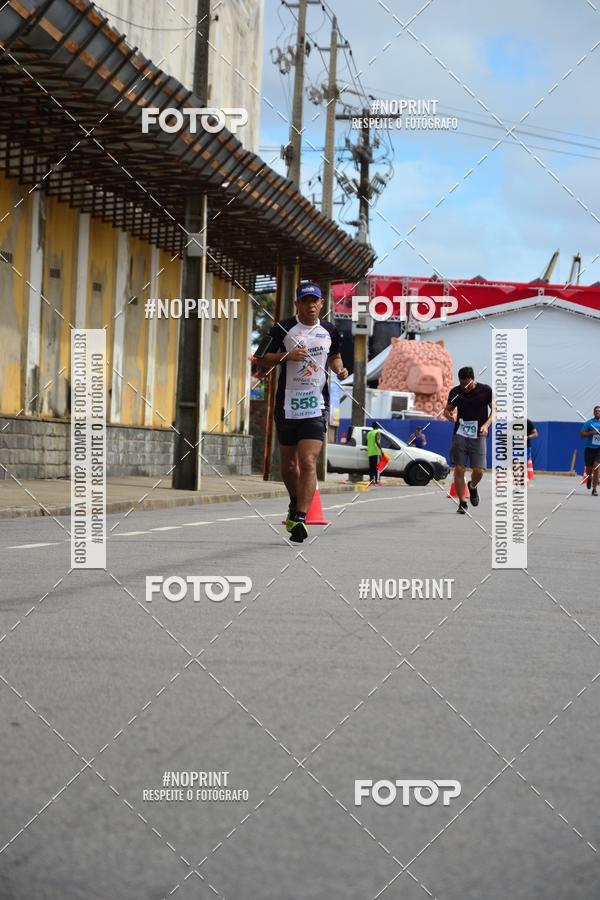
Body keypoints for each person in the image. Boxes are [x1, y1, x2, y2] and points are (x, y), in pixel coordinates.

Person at [254, 282, 348, 541]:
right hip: (287, 405)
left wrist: (339, 368)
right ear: (297, 304)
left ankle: (300, 518)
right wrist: (286, 356)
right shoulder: (283, 328)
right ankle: (295, 501)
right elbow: (258, 358)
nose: (311, 306)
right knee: (289, 464)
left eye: (315, 301)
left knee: (308, 462)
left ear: (322, 304)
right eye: (305, 301)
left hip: (316, 405)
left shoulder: (329, 330)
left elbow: (335, 355)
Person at [443, 366, 494, 515]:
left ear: (473, 379)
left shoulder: (485, 390)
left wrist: (486, 425)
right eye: (462, 384)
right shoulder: (456, 392)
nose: (464, 387)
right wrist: (448, 415)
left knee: (478, 470)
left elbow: (495, 410)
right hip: (460, 434)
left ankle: (472, 486)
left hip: (479, 435)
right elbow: (447, 409)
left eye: (467, 384)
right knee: (459, 468)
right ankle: (462, 502)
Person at [580, 406, 600, 497]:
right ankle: (589, 477)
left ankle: (594, 489)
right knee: (588, 469)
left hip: (599, 449)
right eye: (596, 411)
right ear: (593, 412)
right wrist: (592, 432)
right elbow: (581, 434)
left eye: (599, 411)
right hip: (589, 449)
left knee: (596, 468)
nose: (597, 412)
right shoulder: (589, 423)